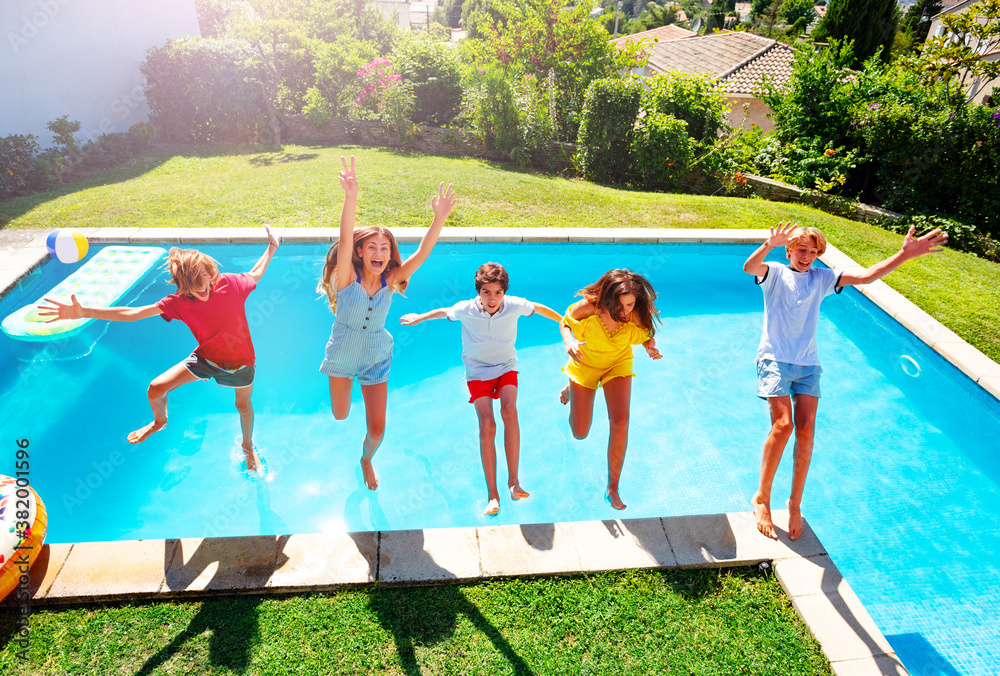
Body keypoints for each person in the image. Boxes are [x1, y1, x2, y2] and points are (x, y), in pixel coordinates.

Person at [744, 221, 948, 540]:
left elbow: (866, 276)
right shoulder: (774, 272)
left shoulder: (822, 278)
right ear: (789, 250)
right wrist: (768, 245)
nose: (807, 256)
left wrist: (904, 254)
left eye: (814, 252)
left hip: (808, 364)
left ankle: (794, 503)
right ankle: (761, 498)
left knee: (807, 429)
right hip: (775, 360)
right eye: (801, 250)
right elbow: (749, 267)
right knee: (783, 426)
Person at [39, 225, 281, 472]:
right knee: (155, 388)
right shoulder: (179, 302)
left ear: (210, 273)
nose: (202, 294)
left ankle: (247, 444)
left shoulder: (231, 284)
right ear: (182, 287)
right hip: (206, 359)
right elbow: (134, 313)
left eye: (204, 285)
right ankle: (160, 421)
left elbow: (256, 273)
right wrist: (84, 312)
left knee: (243, 405)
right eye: (194, 291)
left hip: (240, 363)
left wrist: (272, 247)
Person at [318, 155, 457, 491]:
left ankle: (366, 459)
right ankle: (348, 397)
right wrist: (350, 197)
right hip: (342, 355)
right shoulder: (346, 278)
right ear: (361, 253)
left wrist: (438, 219)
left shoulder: (390, 281)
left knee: (378, 430)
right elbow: (345, 234)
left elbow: (421, 255)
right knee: (340, 415)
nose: (380, 252)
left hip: (377, 355)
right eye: (372, 247)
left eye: (385, 247)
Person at [399, 262, 562, 516]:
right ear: (478, 292)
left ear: (504, 291)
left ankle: (514, 482)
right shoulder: (466, 309)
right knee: (488, 425)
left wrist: (566, 322)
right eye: (486, 292)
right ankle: (492, 495)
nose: (492, 298)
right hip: (478, 373)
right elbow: (444, 311)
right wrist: (419, 318)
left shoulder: (514, 304)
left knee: (509, 410)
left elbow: (538, 308)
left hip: (506, 367)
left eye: (498, 292)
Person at [558, 269, 662, 510]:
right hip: (585, 364)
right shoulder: (589, 307)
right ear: (608, 299)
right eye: (622, 305)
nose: (626, 311)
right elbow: (565, 323)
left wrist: (650, 347)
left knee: (621, 422)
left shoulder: (632, 312)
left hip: (617, 364)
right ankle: (572, 388)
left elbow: (646, 334)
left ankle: (612, 487)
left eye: (631, 304)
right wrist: (570, 341)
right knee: (580, 433)